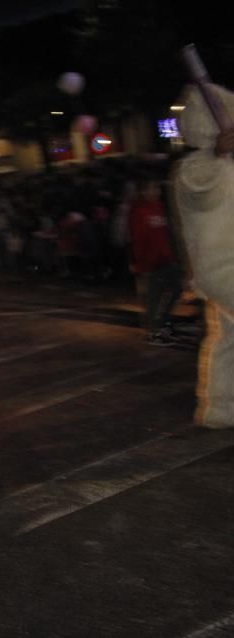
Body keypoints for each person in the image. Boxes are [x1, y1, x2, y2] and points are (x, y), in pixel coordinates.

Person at [174, 83, 234, 428]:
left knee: (228, 339)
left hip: (221, 268)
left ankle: (220, 409)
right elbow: (202, 191)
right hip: (224, 267)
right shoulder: (196, 166)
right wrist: (217, 154)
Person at [128, 177, 183, 346]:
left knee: (177, 290)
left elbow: (167, 233)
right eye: (152, 188)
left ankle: (163, 323)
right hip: (150, 262)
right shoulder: (137, 210)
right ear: (143, 191)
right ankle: (153, 332)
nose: (156, 192)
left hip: (167, 258)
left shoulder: (159, 206)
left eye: (157, 189)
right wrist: (140, 263)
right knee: (154, 298)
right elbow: (137, 239)